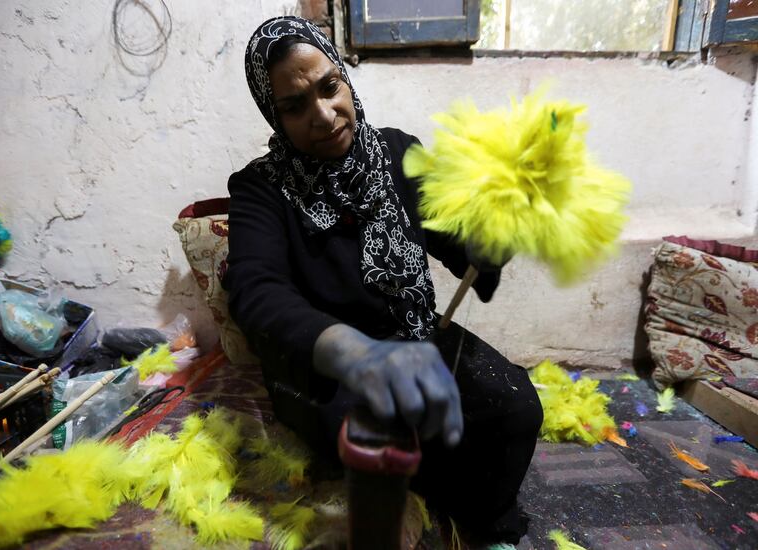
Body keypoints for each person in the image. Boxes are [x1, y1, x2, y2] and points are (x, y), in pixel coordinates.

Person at [225, 16, 543, 545]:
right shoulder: (261, 189)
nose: (324, 116)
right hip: (328, 364)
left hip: (414, 334)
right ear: (273, 114)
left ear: (345, 78)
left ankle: (486, 521)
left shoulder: (397, 153)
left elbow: (454, 236)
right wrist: (358, 355)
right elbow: (257, 293)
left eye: (330, 87)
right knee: (379, 444)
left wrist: (488, 237)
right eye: (295, 106)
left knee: (514, 406)